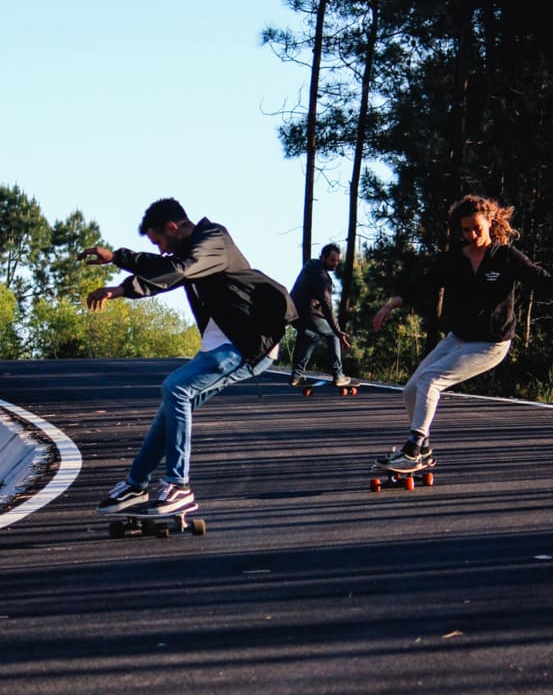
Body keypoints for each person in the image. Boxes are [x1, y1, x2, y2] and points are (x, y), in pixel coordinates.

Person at [79, 198, 297, 517]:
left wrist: (124, 290)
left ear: (173, 227)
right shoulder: (189, 249)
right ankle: (136, 485)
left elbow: (177, 271)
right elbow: (162, 265)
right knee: (170, 407)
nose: (163, 249)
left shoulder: (213, 241)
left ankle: (178, 486)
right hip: (224, 340)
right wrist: (115, 257)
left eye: (161, 241)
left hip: (249, 343)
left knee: (176, 389)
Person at [371, 194, 553, 470]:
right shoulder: (454, 260)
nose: (472, 234)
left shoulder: (506, 257)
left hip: (491, 344)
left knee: (430, 379)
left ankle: (413, 449)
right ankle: (424, 451)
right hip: (458, 339)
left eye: (477, 228)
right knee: (412, 389)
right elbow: (423, 286)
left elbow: (547, 284)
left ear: (490, 222)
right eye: (465, 230)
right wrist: (391, 304)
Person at [289, 242, 352, 387]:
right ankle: (338, 375)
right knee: (333, 335)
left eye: (337, 261)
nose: (335, 264)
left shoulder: (310, 266)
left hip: (293, 312)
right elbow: (327, 306)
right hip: (307, 313)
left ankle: (296, 376)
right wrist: (337, 330)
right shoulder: (321, 277)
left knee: (311, 336)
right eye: (332, 260)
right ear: (323, 257)